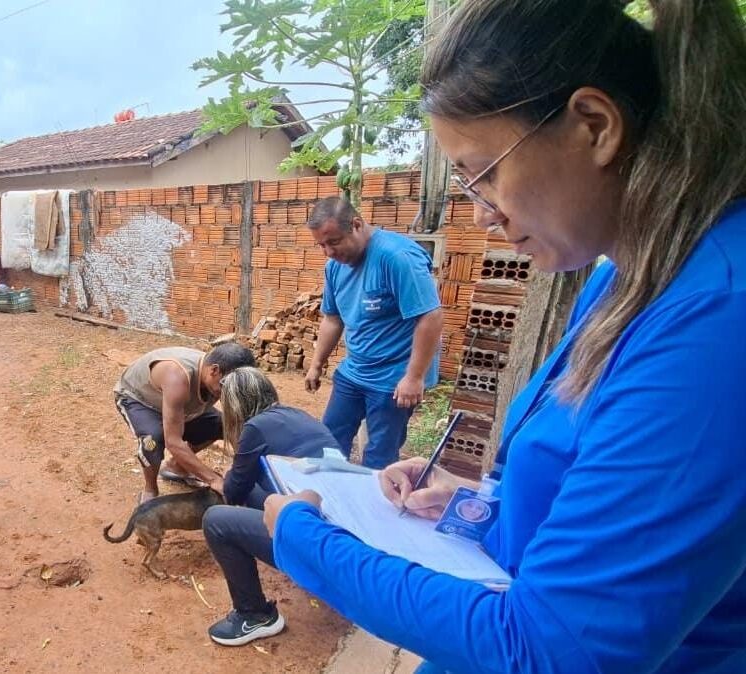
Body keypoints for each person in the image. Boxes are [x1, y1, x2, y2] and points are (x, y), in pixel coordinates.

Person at [262, 1, 746, 672]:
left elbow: (549, 650)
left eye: (485, 173)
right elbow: (585, 492)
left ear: (595, 126)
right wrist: (472, 507)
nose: (482, 212)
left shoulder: (717, 327)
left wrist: (309, 542)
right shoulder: (627, 277)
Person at [203, 367, 340, 646]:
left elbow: (233, 490)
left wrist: (231, 475)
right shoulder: (297, 414)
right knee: (255, 486)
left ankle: (255, 615)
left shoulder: (254, 428)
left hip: (321, 551)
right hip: (342, 534)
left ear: (235, 404)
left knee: (216, 521)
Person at [304, 196, 444, 469]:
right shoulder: (334, 267)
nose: (328, 252)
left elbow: (430, 316)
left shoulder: (396, 257)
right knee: (328, 444)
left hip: (392, 380)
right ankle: (329, 501)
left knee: (379, 459)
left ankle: (369, 506)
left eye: (333, 242)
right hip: (355, 371)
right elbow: (333, 319)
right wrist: (316, 364)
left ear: (356, 224)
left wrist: (414, 378)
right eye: (321, 245)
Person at [114, 343, 255, 503]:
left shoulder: (219, 379)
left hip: (176, 404)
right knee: (152, 439)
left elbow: (235, 422)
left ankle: (176, 467)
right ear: (214, 370)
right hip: (140, 400)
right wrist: (214, 480)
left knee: (222, 425)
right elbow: (173, 441)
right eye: (228, 387)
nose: (230, 392)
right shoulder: (177, 377)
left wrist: (241, 467)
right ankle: (150, 489)